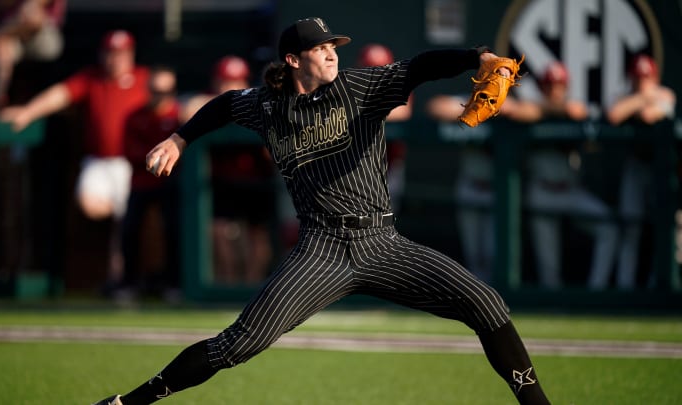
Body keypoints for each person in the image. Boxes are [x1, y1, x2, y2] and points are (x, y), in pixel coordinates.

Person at [92, 17, 550, 405]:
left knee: (487, 304)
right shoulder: (268, 106)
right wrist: (179, 138)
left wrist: (479, 58)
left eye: (333, 46)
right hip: (321, 251)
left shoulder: (360, 87)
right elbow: (225, 106)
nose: (332, 53)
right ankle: (128, 403)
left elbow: (420, 67)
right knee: (237, 344)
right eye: (320, 48)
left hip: (381, 242)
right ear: (293, 60)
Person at [0, 29, 150, 296]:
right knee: (92, 205)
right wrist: (28, 112)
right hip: (100, 162)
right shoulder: (91, 78)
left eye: (121, 54)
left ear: (131, 55)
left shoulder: (143, 79)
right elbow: (60, 94)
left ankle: (123, 281)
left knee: (126, 228)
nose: (115, 60)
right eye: (111, 54)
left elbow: (173, 103)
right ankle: (119, 265)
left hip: (133, 164)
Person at [515, 61, 618, 289]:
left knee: (609, 227)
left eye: (559, 85)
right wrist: (545, 109)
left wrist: (549, 109)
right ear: (542, 87)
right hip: (542, 191)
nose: (555, 90)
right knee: (549, 269)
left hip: (571, 191)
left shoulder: (569, 108)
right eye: (550, 85)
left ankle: (596, 291)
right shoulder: (531, 107)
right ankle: (552, 303)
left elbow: (577, 110)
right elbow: (517, 111)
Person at [181, 55, 275, 286]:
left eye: (236, 81)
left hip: (255, 180)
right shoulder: (211, 103)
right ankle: (228, 284)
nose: (230, 87)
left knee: (258, 236)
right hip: (222, 183)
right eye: (225, 81)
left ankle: (253, 285)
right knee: (219, 233)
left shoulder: (257, 101)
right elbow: (187, 109)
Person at [426, 93, 538, 283]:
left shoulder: (511, 101)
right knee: (474, 254)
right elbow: (435, 107)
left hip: (499, 189)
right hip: (470, 184)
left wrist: (502, 108)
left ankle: (496, 295)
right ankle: (477, 297)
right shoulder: (471, 100)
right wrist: (478, 109)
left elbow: (532, 112)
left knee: (493, 252)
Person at [606, 53, 676, 289]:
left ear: (655, 77)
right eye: (638, 78)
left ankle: (659, 286)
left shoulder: (666, 94)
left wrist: (643, 99)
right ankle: (626, 286)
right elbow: (614, 115)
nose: (642, 82)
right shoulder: (629, 95)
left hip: (663, 169)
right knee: (631, 229)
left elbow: (650, 115)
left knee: (665, 230)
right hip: (636, 167)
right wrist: (642, 97)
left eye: (646, 78)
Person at [120, 65, 182, 301]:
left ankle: (174, 282)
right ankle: (129, 281)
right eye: (156, 90)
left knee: (174, 228)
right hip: (143, 182)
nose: (161, 97)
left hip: (171, 184)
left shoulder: (179, 116)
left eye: (167, 91)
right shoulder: (136, 117)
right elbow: (132, 152)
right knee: (130, 228)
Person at [0, 0, 66, 108]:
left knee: (30, 13)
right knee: (0, 49)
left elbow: (31, 16)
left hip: (44, 38)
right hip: (10, 36)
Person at [356, 43, 412, 213]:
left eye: (380, 69)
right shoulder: (351, 85)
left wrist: (363, 111)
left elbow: (402, 112)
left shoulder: (399, 85)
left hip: (388, 165)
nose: (376, 75)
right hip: (357, 168)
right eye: (370, 69)